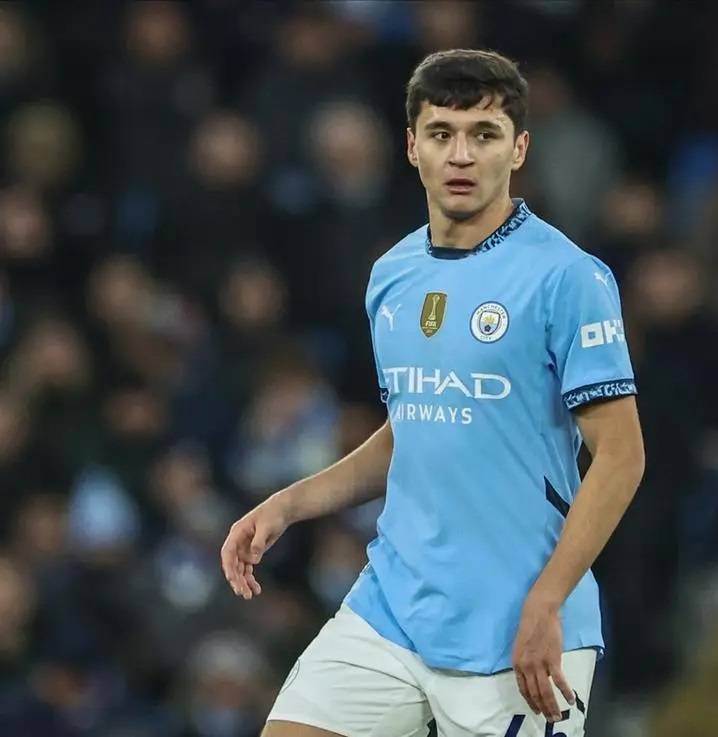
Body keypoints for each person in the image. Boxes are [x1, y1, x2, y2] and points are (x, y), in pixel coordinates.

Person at [220, 49, 645, 737]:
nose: (462, 155)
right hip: (393, 608)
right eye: (442, 133)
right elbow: (415, 429)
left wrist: (548, 600)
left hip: (516, 623)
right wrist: (289, 503)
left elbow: (622, 457)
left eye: (485, 134)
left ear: (519, 149)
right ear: (412, 146)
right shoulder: (392, 275)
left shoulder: (568, 278)